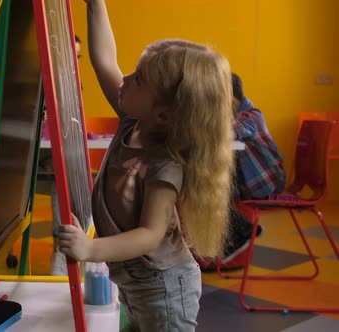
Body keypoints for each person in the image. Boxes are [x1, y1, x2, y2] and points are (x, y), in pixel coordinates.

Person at [58, 1, 235, 330]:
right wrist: (96, 5)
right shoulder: (132, 120)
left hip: (164, 292)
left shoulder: (164, 163)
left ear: (164, 114)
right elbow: (104, 61)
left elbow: (150, 234)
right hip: (136, 284)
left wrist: (90, 248)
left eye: (138, 79)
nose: (124, 77)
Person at [221, 72, 285, 263]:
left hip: (268, 185)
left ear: (232, 102)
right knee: (213, 185)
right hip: (253, 184)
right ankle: (242, 230)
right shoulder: (240, 116)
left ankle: (243, 231)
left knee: (215, 189)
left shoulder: (252, 116)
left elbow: (230, 135)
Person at [44, 34, 82, 276]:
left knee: (65, 175)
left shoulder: (70, 87)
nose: (75, 64)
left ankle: (64, 248)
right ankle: (62, 249)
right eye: (71, 57)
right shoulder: (35, 84)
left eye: (78, 58)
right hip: (29, 167)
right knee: (63, 177)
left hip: (52, 164)